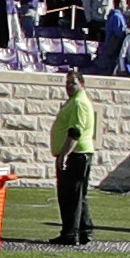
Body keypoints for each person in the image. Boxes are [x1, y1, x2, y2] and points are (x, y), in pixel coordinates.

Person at [51, 69, 97, 246]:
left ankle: (71, 233)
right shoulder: (73, 102)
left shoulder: (79, 103)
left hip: (77, 154)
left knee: (70, 196)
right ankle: (85, 230)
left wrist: (64, 154)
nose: (69, 87)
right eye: (67, 83)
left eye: (73, 83)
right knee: (78, 195)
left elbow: (75, 132)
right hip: (77, 154)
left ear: (82, 84)